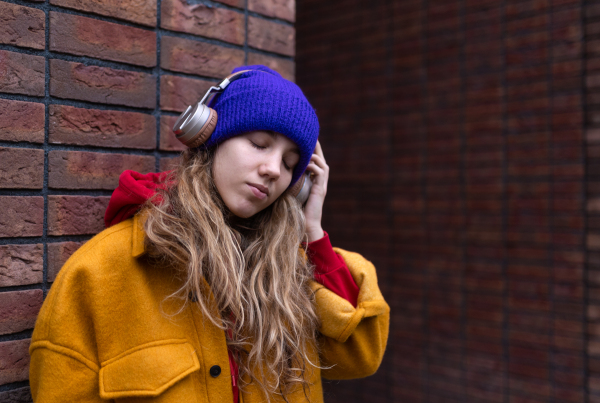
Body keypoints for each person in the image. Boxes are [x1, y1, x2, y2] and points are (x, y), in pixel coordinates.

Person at [29, 65, 390, 403]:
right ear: (207, 135)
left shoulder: (290, 272)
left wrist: (312, 232)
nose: (272, 170)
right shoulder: (99, 272)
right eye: (260, 143)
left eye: (290, 164)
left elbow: (359, 354)